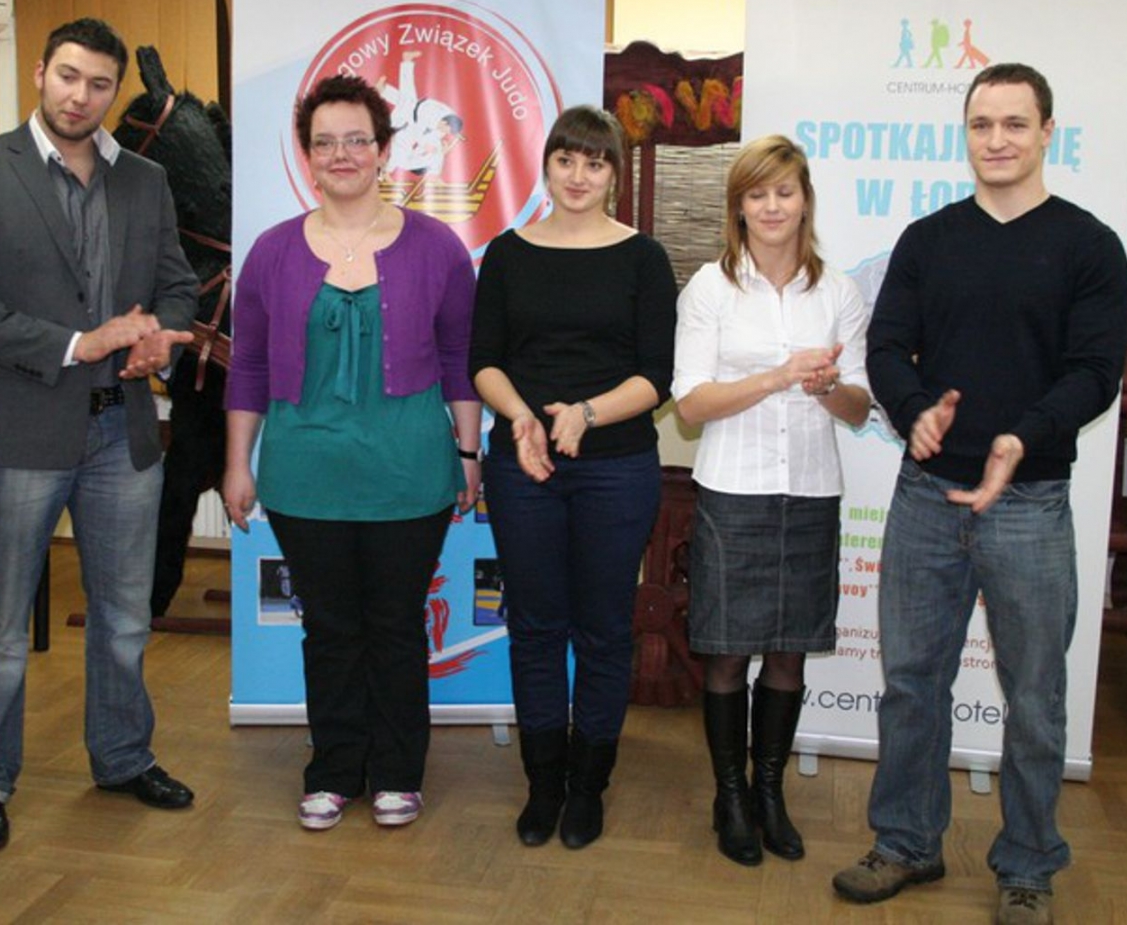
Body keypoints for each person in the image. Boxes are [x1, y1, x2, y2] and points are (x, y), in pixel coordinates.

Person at [832, 63, 1127, 925]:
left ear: (1047, 132)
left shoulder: (1088, 245)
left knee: (1034, 698)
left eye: (1014, 124)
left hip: (1028, 503)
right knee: (911, 682)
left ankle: (1028, 864)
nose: (997, 140)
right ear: (965, 134)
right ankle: (906, 842)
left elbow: (1095, 372)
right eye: (981, 124)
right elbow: (886, 348)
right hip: (926, 495)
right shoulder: (928, 240)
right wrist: (915, 411)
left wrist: (1020, 437)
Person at [0, 17, 200, 852]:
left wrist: (160, 336)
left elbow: (179, 285)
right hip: (22, 433)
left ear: (115, 91)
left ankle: (122, 757)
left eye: (99, 84)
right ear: (41, 72)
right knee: (1, 625)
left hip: (123, 432)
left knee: (123, 618)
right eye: (68, 76)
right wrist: (81, 343)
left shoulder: (147, 179)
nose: (80, 96)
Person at [222, 75, 481, 832]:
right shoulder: (272, 252)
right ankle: (334, 770)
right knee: (330, 628)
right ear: (306, 156)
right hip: (305, 475)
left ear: (384, 150)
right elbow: (248, 366)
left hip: (409, 471)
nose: (342, 154)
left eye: (357, 140)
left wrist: (468, 453)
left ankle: (398, 771)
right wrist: (238, 462)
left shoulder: (437, 248)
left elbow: (460, 358)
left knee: (396, 625)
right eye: (325, 142)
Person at [469, 105, 677, 850]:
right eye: (566, 160)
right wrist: (523, 417)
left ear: (613, 174)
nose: (579, 176)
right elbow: (483, 361)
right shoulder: (507, 253)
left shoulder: (643, 258)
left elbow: (658, 376)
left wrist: (585, 414)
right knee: (534, 626)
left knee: (603, 629)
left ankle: (588, 786)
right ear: (547, 165)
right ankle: (544, 784)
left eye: (595, 162)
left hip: (616, 469)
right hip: (523, 464)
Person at [673, 136, 871, 867]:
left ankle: (769, 793)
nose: (771, 206)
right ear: (738, 207)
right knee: (727, 656)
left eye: (784, 192)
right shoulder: (710, 288)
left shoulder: (839, 291)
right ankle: (729, 797)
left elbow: (859, 408)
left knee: (788, 655)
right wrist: (779, 375)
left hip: (811, 492)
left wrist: (827, 386)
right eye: (757, 194)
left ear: (805, 200)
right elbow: (690, 404)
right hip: (734, 491)